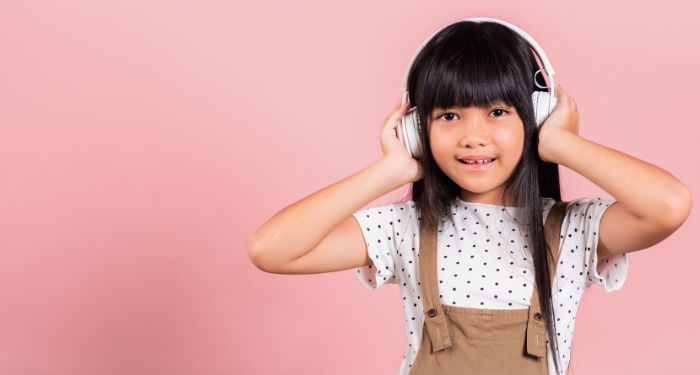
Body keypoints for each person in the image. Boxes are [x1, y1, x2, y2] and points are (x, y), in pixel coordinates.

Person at [247, 19, 692, 375]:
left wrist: (560, 144)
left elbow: (668, 205)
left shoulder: (575, 228)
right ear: (417, 128)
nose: (472, 136)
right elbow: (273, 249)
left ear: (535, 117)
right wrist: (391, 170)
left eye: (498, 111)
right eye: (449, 115)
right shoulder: (404, 228)